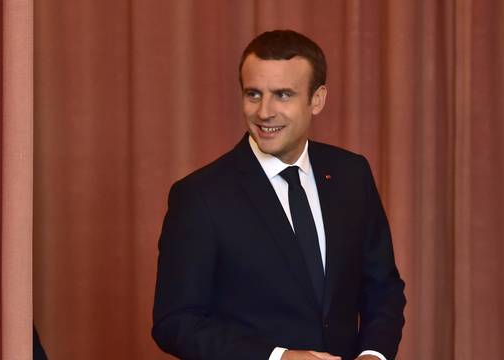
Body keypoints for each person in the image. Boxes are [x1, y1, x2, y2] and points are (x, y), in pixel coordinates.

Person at [151, 30, 405, 360]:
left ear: (317, 99)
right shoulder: (199, 196)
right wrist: (278, 358)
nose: (264, 112)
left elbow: (382, 287)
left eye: (283, 95)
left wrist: (374, 354)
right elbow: (176, 323)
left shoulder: (351, 174)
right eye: (253, 94)